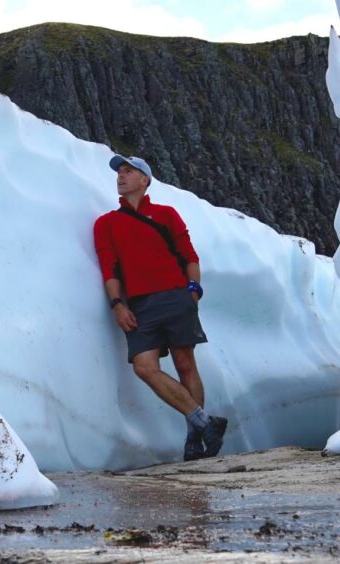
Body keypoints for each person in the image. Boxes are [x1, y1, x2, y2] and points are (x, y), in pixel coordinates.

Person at [93, 155, 227, 461]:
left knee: (185, 364)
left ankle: (195, 441)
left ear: (145, 180)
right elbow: (109, 270)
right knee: (144, 367)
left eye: (129, 171)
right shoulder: (106, 224)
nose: (121, 176)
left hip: (176, 296)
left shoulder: (166, 214)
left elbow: (189, 255)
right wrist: (117, 305)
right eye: (119, 172)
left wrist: (193, 290)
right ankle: (205, 423)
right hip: (139, 305)